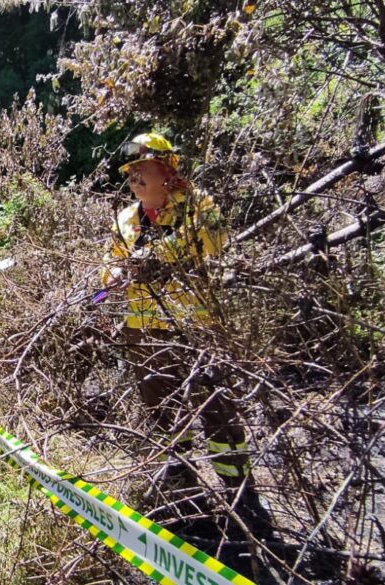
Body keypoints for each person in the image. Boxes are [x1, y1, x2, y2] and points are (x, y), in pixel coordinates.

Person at [101, 133, 269, 531]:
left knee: (216, 410)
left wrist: (158, 255)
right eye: (131, 173)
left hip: (193, 328)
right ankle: (182, 491)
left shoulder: (198, 207)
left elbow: (218, 247)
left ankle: (239, 491)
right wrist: (115, 276)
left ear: (168, 171)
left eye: (143, 170)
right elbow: (107, 270)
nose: (135, 179)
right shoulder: (125, 219)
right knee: (162, 412)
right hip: (142, 330)